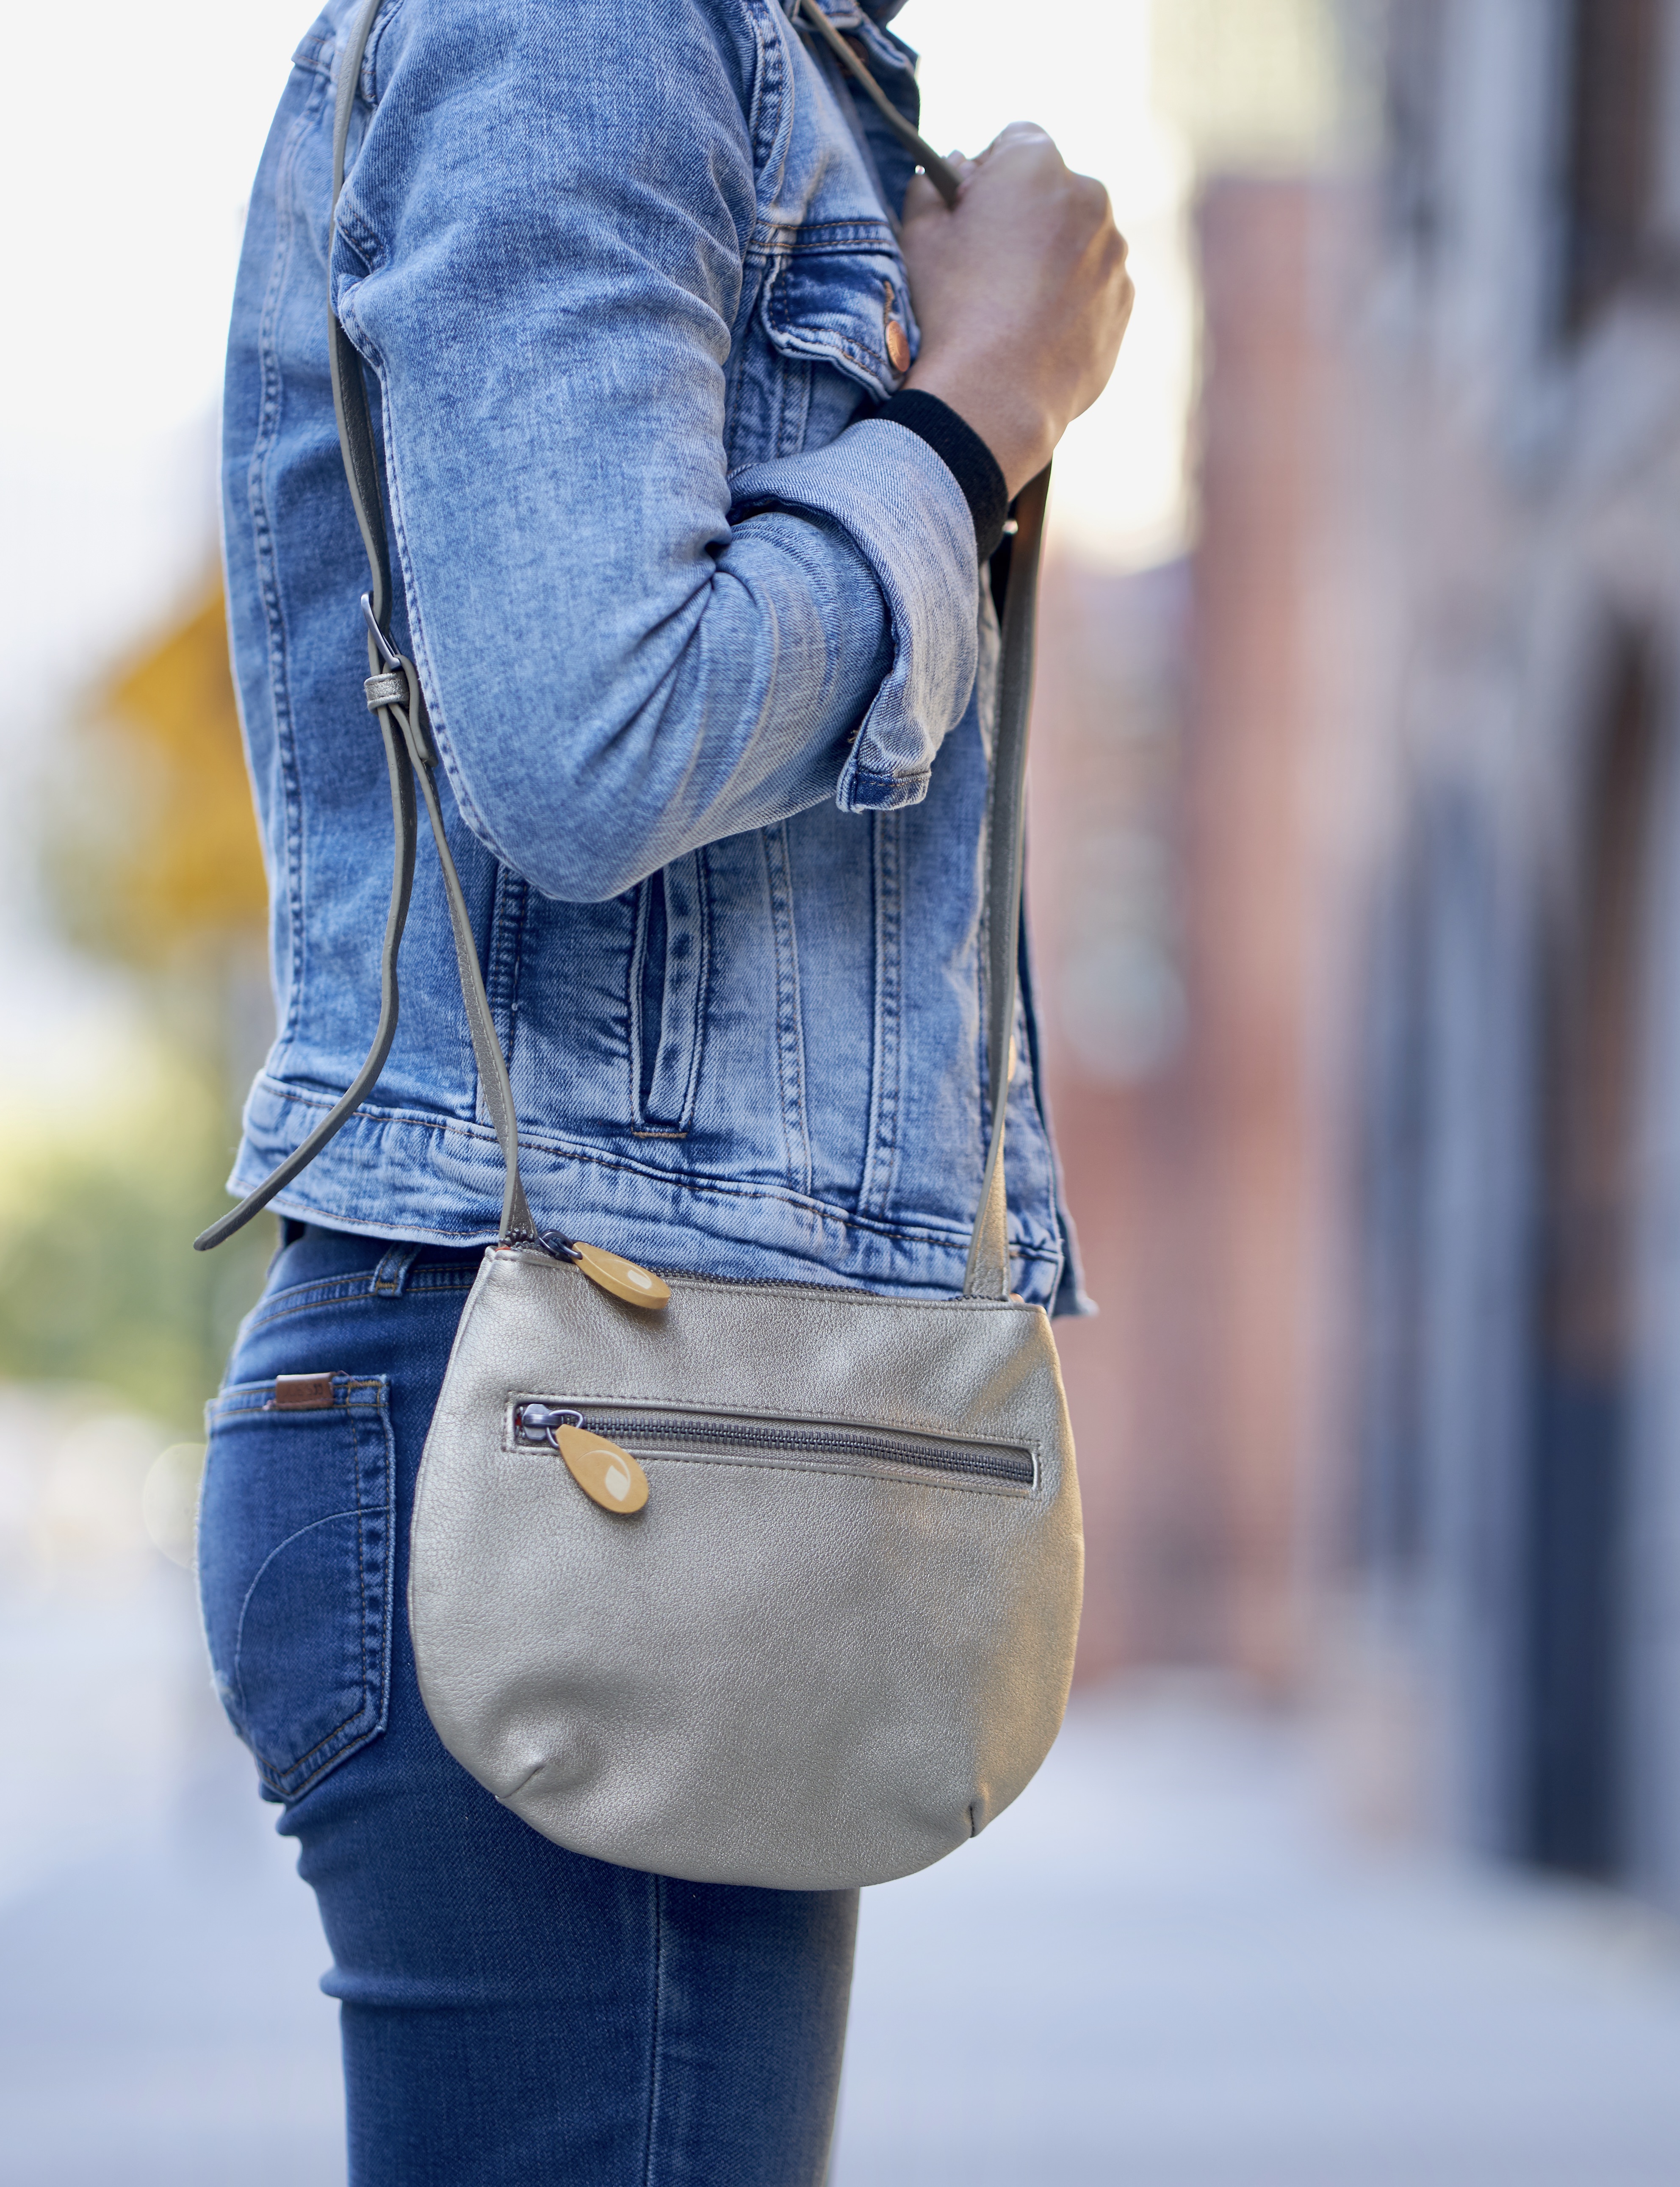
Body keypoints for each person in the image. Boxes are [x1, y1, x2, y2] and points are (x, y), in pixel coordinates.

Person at [194, 1, 1130, 2179]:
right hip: (566, 1406)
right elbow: (590, 736)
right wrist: (982, 407)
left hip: (656, 1411)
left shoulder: (777, 58)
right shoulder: (588, 29)